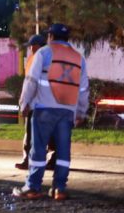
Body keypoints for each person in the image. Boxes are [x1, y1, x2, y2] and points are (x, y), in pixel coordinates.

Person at [13, 23, 89, 201]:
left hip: (44, 108)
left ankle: (32, 187)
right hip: (67, 111)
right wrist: (81, 112)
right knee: (63, 152)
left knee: (39, 149)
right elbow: (84, 88)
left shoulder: (44, 53)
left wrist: (24, 103)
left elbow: (31, 80)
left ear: (50, 37)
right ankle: (59, 189)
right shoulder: (78, 58)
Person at [15, 34, 56, 171]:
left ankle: (30, 160)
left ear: (38, 45)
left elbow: (30, 82)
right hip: (50, 103)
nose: (30, 48)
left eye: (32, 46)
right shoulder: (50, 56)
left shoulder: (38, 58)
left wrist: (24, 102)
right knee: (50, 134)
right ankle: (51, 160)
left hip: (36, 103)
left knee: (32, 134)